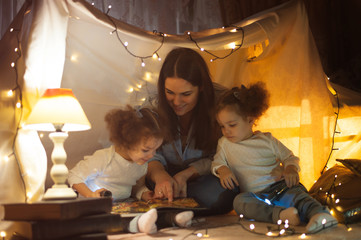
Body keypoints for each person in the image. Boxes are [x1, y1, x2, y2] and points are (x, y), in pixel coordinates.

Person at [211, 82, 338, 233]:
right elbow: (217, 162)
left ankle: (321, 215)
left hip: (280, 188)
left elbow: (289, 157)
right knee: (239, 202)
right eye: (222, 126)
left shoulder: (267, 141)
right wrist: (223, 170)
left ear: (250, 120)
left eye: (232, 125)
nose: (226, 131)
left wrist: (290, 169)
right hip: (256, 196)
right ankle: (281, 215)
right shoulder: (225, 144)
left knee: (299, 197)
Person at [68, 106, 194, 234]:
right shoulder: (104, 158)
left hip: (125, 205)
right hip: (97, 208)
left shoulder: (141, 163)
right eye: (146, 150)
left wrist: (146, 194)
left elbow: (137, 187)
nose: (151, 155)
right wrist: (91, 195)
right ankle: (137, 225)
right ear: (125, 142)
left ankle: (173, 219)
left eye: (155, 150)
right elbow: (74, 176)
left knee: (151, 211)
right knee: (104, 220)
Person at [146, 47, 239, 215]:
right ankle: (172, 202)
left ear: (202, 87)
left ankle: (171, 205)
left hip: (207, 176)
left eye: (186, 94)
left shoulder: (223, 103)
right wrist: (160, 175)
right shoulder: (154, 106)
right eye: (170, 92)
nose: (177, 101)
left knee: (223, 192)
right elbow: (148, 153)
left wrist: (186, 175)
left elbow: (229, 154)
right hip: (165, 176)